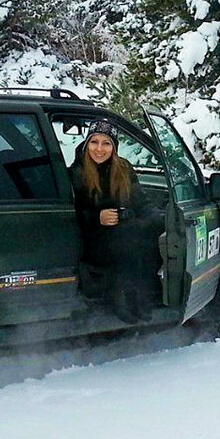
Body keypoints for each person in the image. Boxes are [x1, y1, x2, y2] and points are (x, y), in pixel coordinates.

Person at [69, 120, 161, 323]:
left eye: (106, 143)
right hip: (91, 238)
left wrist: (159, 220)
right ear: (86, 144)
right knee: (126, 240)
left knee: (144, 237)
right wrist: (96, 217)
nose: (99, 149)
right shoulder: (76, 173)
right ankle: (121, 297)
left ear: (114, 147)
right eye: (94, 142)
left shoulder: (124, 169)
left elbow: (141, 202)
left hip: (123, 232)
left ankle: (139, 296)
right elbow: (70, 213)